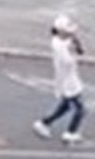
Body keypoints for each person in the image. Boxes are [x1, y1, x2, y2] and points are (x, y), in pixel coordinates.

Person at [33, 15, 87, 144]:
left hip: (70, 78)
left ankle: (44, 123)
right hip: (68, 80)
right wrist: (72, 51)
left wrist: (75, 42)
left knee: (66, 106)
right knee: (80, 109)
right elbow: (68, 62)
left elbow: (81, 51)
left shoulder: (64, 41)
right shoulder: (59, 46)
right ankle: (70, 132)